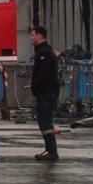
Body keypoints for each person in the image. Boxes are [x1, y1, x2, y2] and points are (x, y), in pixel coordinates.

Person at [29, 26, 60, 161]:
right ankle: (50, 149)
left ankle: (51, 151)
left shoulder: (44, 53)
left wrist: (36, 87)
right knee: (44, 120)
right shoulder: (44, 51)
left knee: (45, 121)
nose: (31, 38)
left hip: (46, 92)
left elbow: (44, 74)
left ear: (39, 36)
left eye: (32, 35)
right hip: (46, 92)